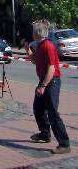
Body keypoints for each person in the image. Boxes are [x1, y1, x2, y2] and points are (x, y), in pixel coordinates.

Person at [30, 21, 70, 155]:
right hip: (44, 80)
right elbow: (35, 60)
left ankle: (64, 144)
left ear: (37, 34)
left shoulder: (48, 46)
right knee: (38, 108)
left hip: (51, 82)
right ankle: (45, 134)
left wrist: (42, 86)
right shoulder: (40, 46)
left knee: (53, 112)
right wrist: (27, 48)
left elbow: (51, 69)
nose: (32, 33)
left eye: (33, 31)